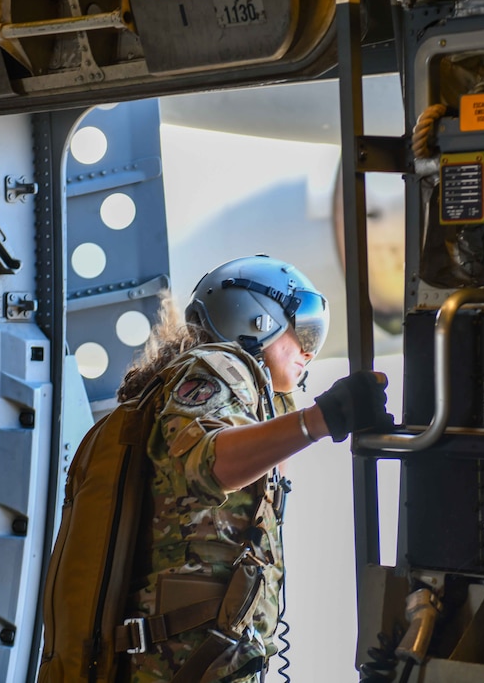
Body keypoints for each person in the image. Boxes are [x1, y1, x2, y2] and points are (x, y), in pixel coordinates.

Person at [116, 255, 394, 683]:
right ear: (256, 317)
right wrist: (321, 420)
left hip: (199, 659)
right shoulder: (215, 368)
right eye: (304, 329)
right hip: (183, 662)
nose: (308, 350)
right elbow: (211, 461)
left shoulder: (241, 391)